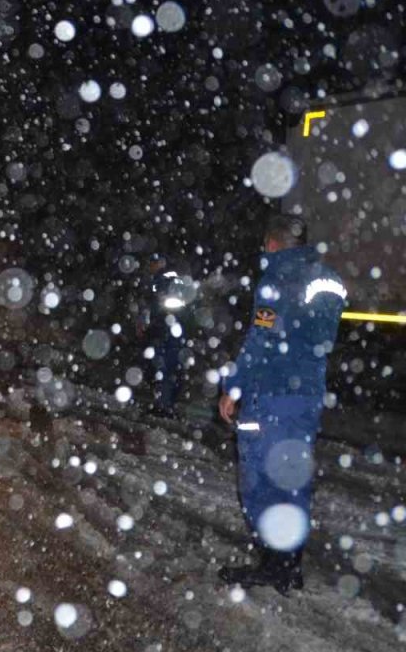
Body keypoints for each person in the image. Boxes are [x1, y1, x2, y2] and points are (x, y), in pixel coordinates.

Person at [217, 214, 346, 594]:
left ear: (272, 243)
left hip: (270, 395)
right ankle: (290, 564)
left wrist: (233, 387)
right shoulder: (328, 279)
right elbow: (320, 339)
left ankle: (275, 563)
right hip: (305, 396)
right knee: (291, 478)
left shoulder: (276, 279)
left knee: (259, 478)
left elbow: (260, 342)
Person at [139, 254, 191, 417]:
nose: (151, 266)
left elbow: (174, 306)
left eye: (153, 263)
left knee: (166, 368)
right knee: (160, 368)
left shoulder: (169, 279)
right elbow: (149, 305)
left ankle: (165, 405)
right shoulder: (155, 281)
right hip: (162, 331)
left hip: (168, 332)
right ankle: (163, 403)